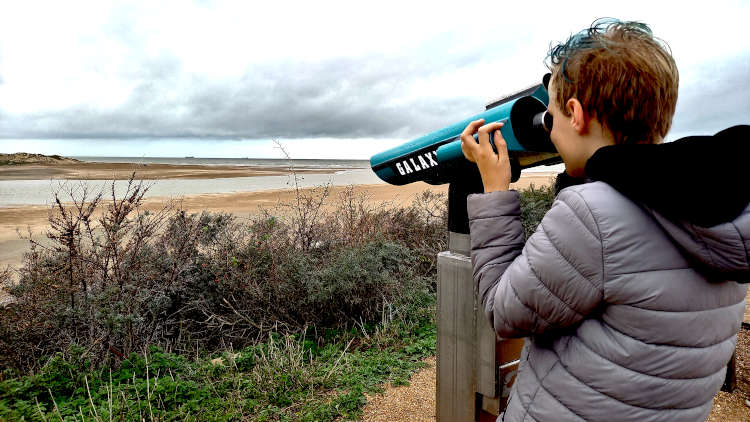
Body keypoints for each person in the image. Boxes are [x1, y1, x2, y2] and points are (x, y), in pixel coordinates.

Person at [460, 19, 750, 421]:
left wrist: (495, 193)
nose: (551, 131)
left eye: (552, 118)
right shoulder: (723, 206)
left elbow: (504, 310)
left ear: (575, 115)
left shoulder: (593, 216)